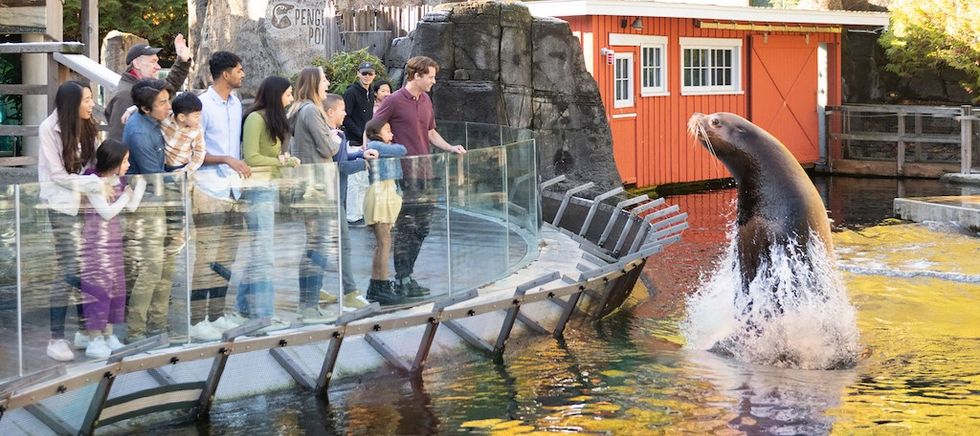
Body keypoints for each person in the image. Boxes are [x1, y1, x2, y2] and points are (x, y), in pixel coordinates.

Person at [371, 56, 466, 300]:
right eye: (431, 77)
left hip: (426, 172)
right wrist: (385, 147)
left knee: (422, 227)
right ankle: (401, 278)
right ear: (416, 76)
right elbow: (372, 128)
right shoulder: (393, 101)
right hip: (404, 173)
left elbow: (430, 131)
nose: (434, 81)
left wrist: (450, 148)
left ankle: (407, 275)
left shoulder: (426, 100)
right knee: (407, 227)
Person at [287, 68, 374, 322]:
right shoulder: (311, 111)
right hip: (320, 185)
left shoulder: (297, 110)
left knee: (318, 243)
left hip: (312, 185)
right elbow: (329, 148)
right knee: (324, 243)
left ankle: (315, 294)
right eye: (324, 79)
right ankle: (315, 302)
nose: (327, 83)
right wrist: (339, 143)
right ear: (315, 83)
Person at [37, 81, 101, 361]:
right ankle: (56, 337)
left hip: (85, 204)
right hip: (61, 206)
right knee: (68, 269)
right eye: (87, 99)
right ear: (71, 104)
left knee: (86, 267)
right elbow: (57, 175)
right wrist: (93, 186)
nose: (92, 104)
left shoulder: (88, 125)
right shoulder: (48, 129)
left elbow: (96, 163)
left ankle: (85, 331)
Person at [191, 50, 250, 340]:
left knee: (226, 257)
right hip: (208, 188)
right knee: (205, 257)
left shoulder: (236, 104)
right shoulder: (202, 105)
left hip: (234, 189)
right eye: (239, 70)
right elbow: (195, 153)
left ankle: (216, 314)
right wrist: (226, 159)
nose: (242, 74)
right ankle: (196, 319)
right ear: (225, 73)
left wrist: (233, 162)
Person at [122, 79, 181, 343]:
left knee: (166, 266)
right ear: (145, 109)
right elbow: (154, 177)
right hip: (147, 202)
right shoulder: (139, 133)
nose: (169, 106)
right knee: (151, 268)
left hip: (161, 197)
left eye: (168, 100)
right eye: (163, 103)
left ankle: (158, 324)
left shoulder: (149, 118)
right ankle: (137, 331)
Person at [79, 139, 146, 359]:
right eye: (125, 160)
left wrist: (140, 187)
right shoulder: (92, 180)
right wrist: (126, 196)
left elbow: (132, 206)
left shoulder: (119, 180)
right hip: (96, 244)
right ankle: (94, 336)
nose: (128, 164)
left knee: (114, 288)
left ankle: (108, 334)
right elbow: (106, 212)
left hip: (114, 242)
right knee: (98, 289)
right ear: (114, 161)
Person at [240, 76, 298, 325]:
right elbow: (251, 157)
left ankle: (243, 307)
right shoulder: (255, 118)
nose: (291, 98)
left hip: (269, 187)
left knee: (260, 252)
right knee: (264, 254)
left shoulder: (273, 119)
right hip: (257, 189)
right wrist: (282, 161)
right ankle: (263, 313)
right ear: (276, 95)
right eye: (288, 94)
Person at [106, 35, 192, 142]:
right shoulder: (125, 95)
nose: (158, 67)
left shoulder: (142, 88)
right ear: (137, 64)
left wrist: (183, 61)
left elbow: (168, 86)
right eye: (153, 61)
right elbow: (117, 140)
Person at [361, 118, 407, 304]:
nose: (392, 134)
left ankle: (376, 284)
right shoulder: (374, 145)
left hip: (388, 192)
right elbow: (402, 150)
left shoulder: (382, 146)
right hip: (380, 193)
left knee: (383, 243)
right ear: (377, 132)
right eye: (387, 130)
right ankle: (383, 284)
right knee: (384, 242)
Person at [342, 62, 377, 227]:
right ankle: (352, 215)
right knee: (354, 181)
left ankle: (360, 213)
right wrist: (360, 133)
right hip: (355, 142)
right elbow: (345, 117)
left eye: (370, 73)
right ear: (358, 74)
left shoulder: (370, 92)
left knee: (363, 180)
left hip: (366, 142)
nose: (367, 76)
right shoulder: (351, 92)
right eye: (364, 73)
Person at [160, 92, 206, 173]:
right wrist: (129, 112)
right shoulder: (165, 119)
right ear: (181, 117)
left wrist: (186, 171)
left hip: (182, 167)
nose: (199, 118)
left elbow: (200, 152)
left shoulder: (197, 130)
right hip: (161, 165)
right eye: (196, 116)